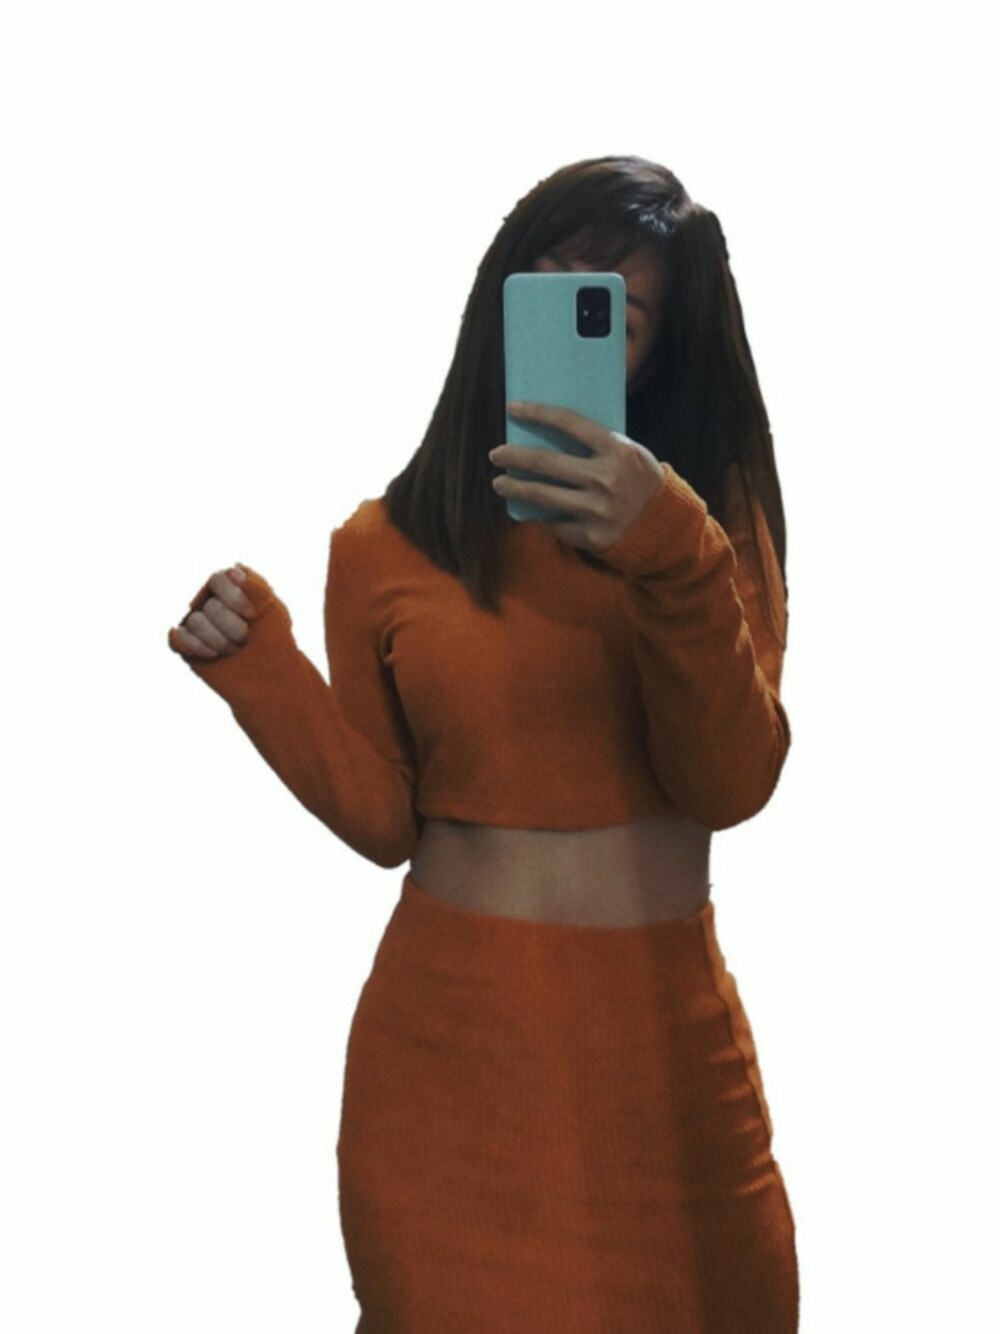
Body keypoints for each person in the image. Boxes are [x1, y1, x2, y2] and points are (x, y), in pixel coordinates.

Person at [167, 154, 799, 1332]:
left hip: (663, 1060)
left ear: (657, 350)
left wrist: (670, 551)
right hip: (447, 1059)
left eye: (613, 311)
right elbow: (386, 820)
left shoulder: (703, 527)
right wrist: (260, 672)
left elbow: (729, 781)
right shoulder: (382, 545)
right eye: (543, 284)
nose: (563, 321)